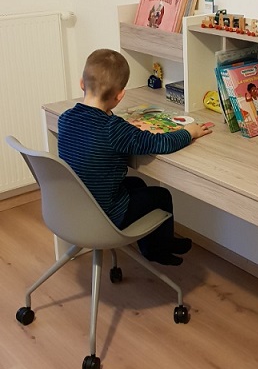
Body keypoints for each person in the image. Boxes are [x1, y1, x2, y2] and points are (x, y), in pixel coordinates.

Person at [58, 49, 212, 266]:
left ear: (81, 83)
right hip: (104, 215)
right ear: (120, 95)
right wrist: (190, 132)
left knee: (138, 183)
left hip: (76, 206)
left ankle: (157, 242)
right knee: (160, 195)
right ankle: (157, 250)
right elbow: (161, 143)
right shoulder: (113, 129)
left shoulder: (66, 119)